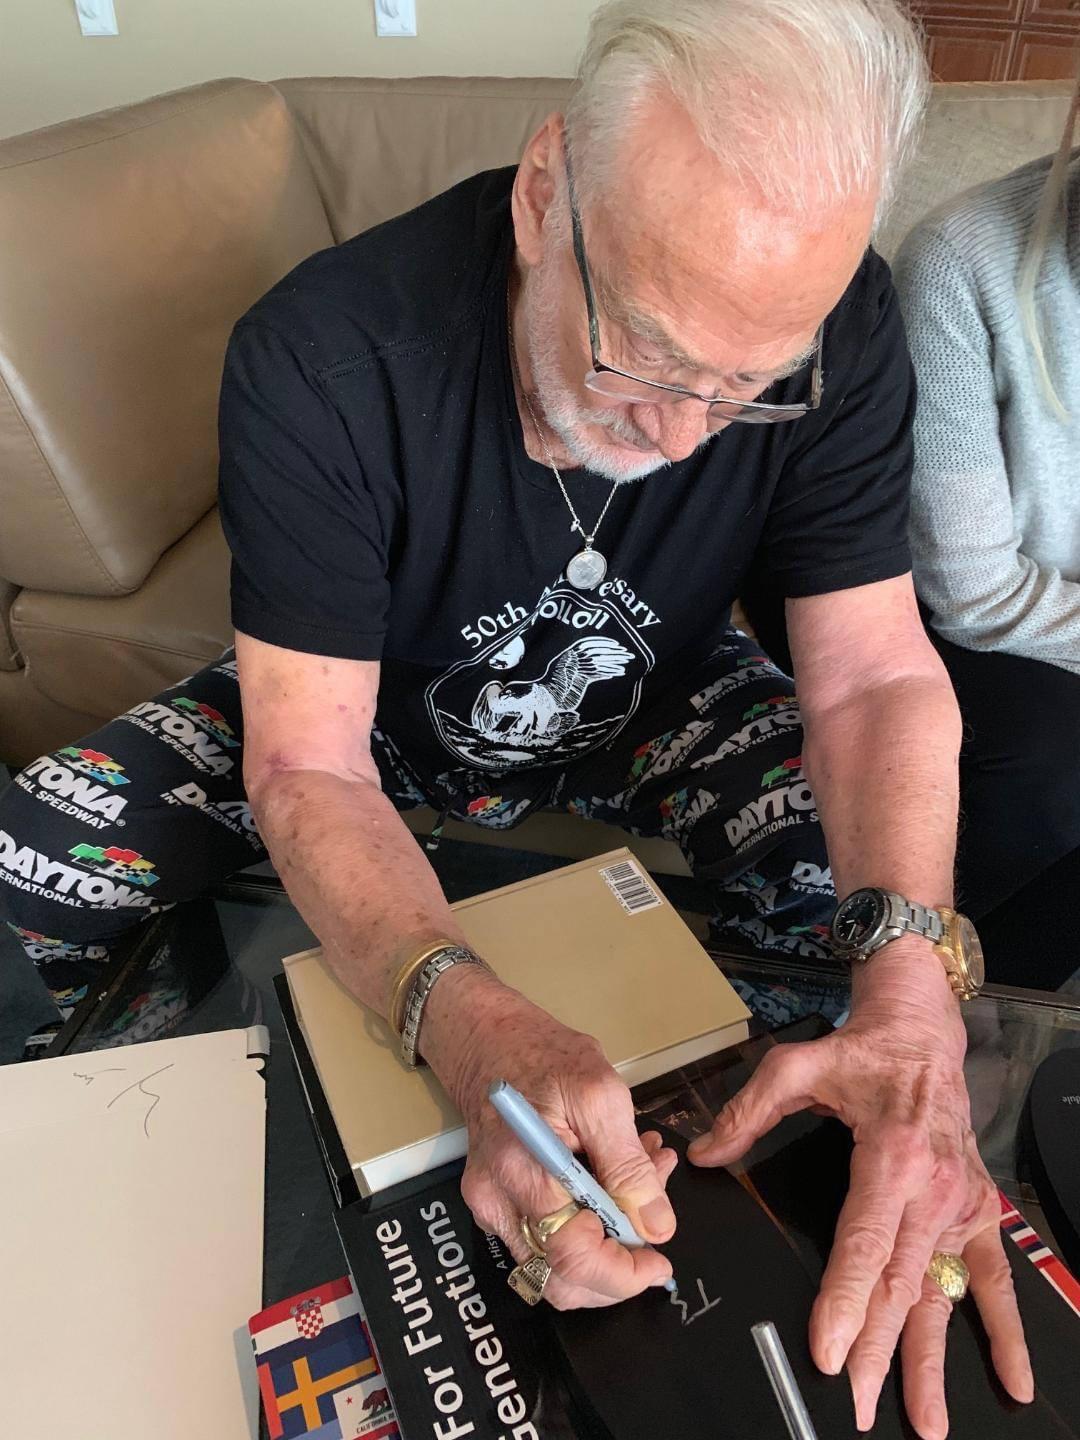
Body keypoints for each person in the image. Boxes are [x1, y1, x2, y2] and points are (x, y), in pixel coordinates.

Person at [0, 2, 1032, 1433]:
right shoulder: (324, 353)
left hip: (664, 700)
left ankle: (704, 1234)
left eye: (749, 387)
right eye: (646, 353)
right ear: (547, 191)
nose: (683, 433)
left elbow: (869, 676)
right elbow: (308, 761)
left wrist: (914, 1002)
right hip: (360, 711)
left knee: (874, 943)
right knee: (28, 860)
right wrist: (464, 1018)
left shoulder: (841, 320)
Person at [894, 75, 1080, 989]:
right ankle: (953, 1002)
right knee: (1051, 762)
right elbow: (972, 590)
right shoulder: (958, 262)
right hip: (987, 613)